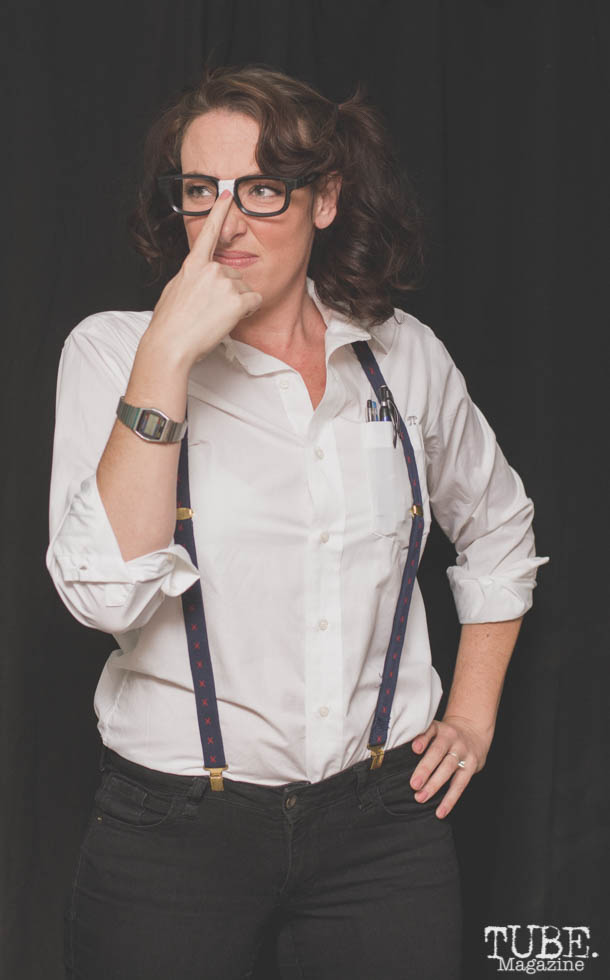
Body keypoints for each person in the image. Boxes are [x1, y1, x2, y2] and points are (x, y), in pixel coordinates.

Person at [46, 63, 549, 980]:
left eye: (261, 190)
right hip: (171, 832)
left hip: (382, 833)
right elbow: (107, 598)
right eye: (201, 191)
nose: (224, 224)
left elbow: (500, 528)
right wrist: (166, 355)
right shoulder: (114, 352)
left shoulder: (403, 356)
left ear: (325, 200)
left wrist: (472, 717)